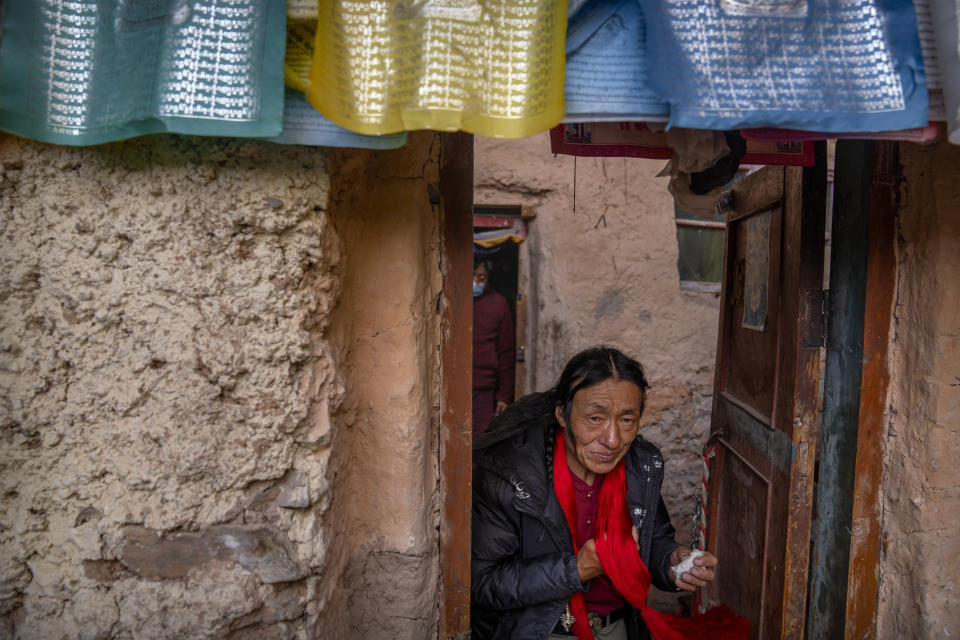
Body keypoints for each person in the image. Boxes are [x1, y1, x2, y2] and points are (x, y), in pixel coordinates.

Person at [471, 347, 721, 640]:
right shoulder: (511, 473)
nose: (612, 440)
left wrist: (670, 562)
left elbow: (652, 540)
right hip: (538, 631)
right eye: (594, 418)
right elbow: (482, 582)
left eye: (626, 420)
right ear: (562, 413)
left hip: (616, 628)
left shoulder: (642, 466)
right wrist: (577, 569)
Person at [472, 257, 516, 436]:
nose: (475, 282)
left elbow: (506, 352)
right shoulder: (452, 298)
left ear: (489, 279)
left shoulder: (498, 304)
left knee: (481, 443)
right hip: (453, 386)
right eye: (472, 276)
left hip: (484, 390)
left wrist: (504, 395)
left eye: (481, 278)